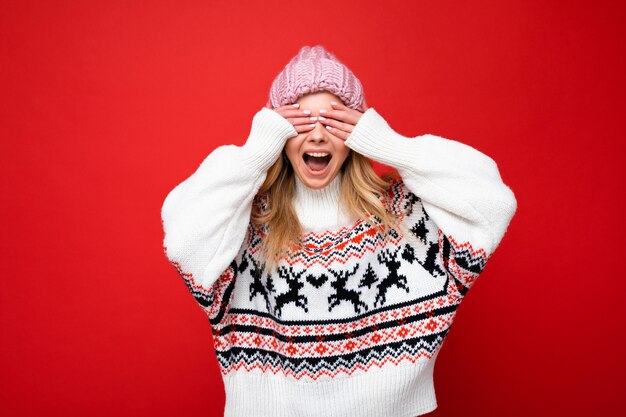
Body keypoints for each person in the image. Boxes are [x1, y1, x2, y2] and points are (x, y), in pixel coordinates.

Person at [161, 45, 517, 417]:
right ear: (278, 133)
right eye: (301, 121)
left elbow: (493, 203)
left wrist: (394, 147)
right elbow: (182, 236)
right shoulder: (244, 223)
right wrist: (254, 154)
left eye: (333, 121)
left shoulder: (400, 215)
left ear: (357, 133)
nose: (317, 135)